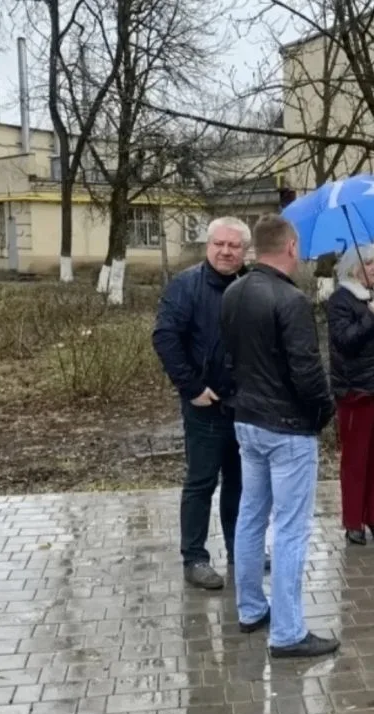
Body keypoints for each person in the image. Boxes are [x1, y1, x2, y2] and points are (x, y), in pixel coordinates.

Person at [220, 214, 338, 658]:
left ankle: (251, 609)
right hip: (287, 429)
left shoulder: (233, 291)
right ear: (290, 247)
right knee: (290, 529)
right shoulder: (291, 300)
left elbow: (229, 358)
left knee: (251, 516)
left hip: (247, 421)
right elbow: (307, 371)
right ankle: (287, 633)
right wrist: (324, 411)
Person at [152, 216, 255, 591]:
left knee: (240, 482)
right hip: (205, 404)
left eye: (234, 246)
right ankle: (194, 557)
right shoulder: (186, 286)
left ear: (245, 251)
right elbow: (165, 337)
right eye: (219, 244)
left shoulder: (252, 286)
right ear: (208, 245)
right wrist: (192, 387)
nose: (226, 251)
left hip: (245, 405)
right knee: (201, 482)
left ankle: (240, 550)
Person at [327, 247, 374, 546]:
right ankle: (353, 522)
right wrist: (369, 317)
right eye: (368, 263)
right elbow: (344, 341)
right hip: (357, 391)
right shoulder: (341, 299)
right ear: (353, 269)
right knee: (356, 460)